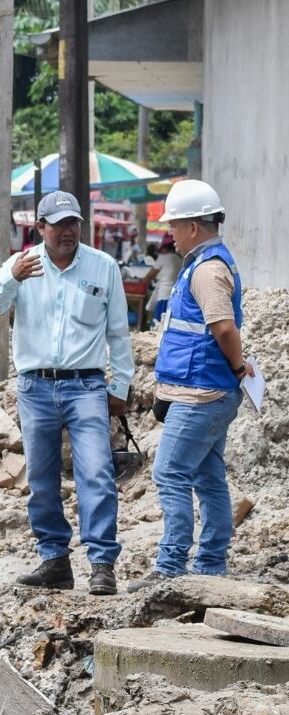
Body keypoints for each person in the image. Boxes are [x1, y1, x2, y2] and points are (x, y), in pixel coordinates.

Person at [0, 191, 134, 595]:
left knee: (96, 472)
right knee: (42, 478)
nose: (67, 231)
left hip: (86, 386)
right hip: (36, 387)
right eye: (58, 224)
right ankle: (55, 561)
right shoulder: (22, 265)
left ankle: (101, 564)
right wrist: (12, 278)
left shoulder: (103, 267)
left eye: (73, 223)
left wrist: (120, 386)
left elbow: (119, 333)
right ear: (39, 227)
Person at [129, 180, 249, 591]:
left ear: (194, 228)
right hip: (204, 390)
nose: (171, 234)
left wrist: (237, 368)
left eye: (175, 226)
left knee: (170, 472)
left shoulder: (208, 270)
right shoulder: (206, 263)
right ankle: (211, 565)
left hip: (203, 394)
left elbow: (223, 328)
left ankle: (171, 566)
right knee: (208, 476)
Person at [144, 233, 182, 326]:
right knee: (167, 324)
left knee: (158, 323)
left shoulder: (163, 257)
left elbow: (150, 275)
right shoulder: (179, 259)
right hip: (175, 295)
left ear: (164, 247)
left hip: (164, 294)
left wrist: (142, 281)